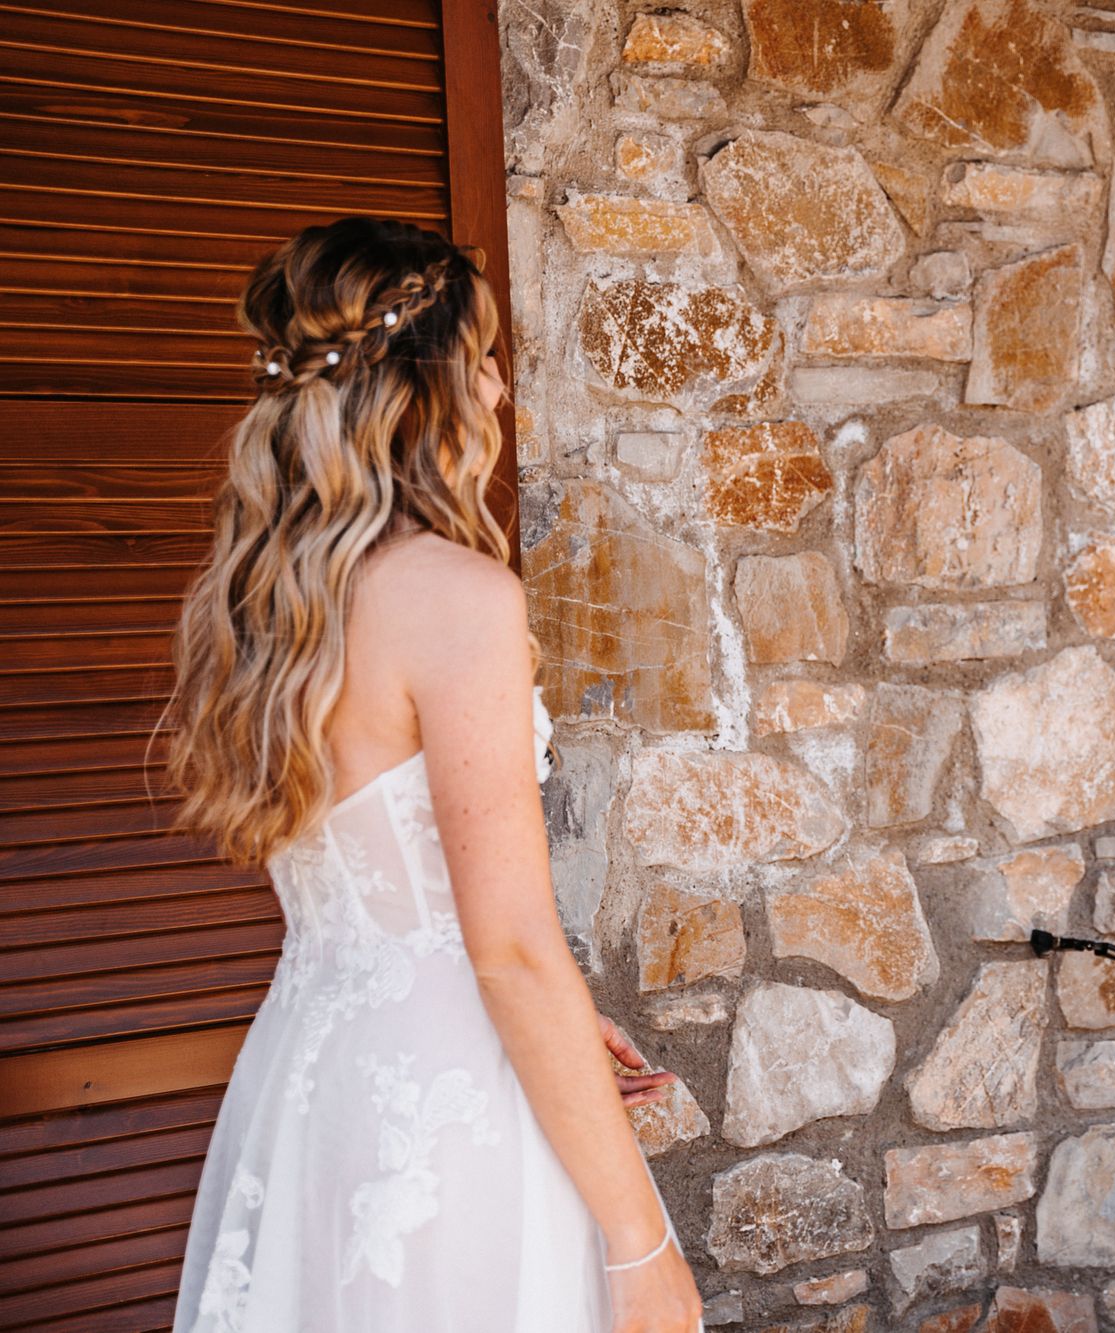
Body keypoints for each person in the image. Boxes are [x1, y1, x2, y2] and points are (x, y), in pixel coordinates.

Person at [165, 217, 701, 1333]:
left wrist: (555, 1017)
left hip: (314, 1088)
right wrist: (640, 1246)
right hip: (449, 1113)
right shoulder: (458, 599)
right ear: (424, 385)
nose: (501, 389)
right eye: (485, 358)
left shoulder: (263, 612)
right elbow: (504, 946)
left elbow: (400, 902)